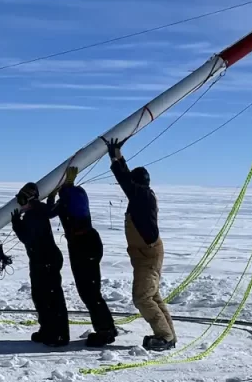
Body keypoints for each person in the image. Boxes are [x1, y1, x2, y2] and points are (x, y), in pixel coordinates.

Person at [105, 138, 176, 350]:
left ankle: (164, 337)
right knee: (152, 296)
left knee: (142, 298)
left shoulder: (142, 196)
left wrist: (115, 157)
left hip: (148, 255)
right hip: (147, 254)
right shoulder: (142, 195)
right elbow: (127, 181)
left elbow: (124, 180)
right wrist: (118, 156)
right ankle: (168, 336)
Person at [47, 166, 117, 347]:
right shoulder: (79, 195)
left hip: (81, 247)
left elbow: (49, 213)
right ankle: (107, 327)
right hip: (91, 243)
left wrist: (51, 196)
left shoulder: (66, 203)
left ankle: (105, 330)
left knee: (89, 292)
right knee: (92, 291)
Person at [11, 181, 70, 347]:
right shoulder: (39, 210)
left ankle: (58, 335)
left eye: (22, 200)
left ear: (30, 200)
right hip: (42, 260)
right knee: (41, 297)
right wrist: (51, 199)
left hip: (45, 260)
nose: (20, 204)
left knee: (50, 298)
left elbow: (28, 239)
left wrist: (17, 225)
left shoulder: (33, 214)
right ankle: (47, 330)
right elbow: (51, 210)